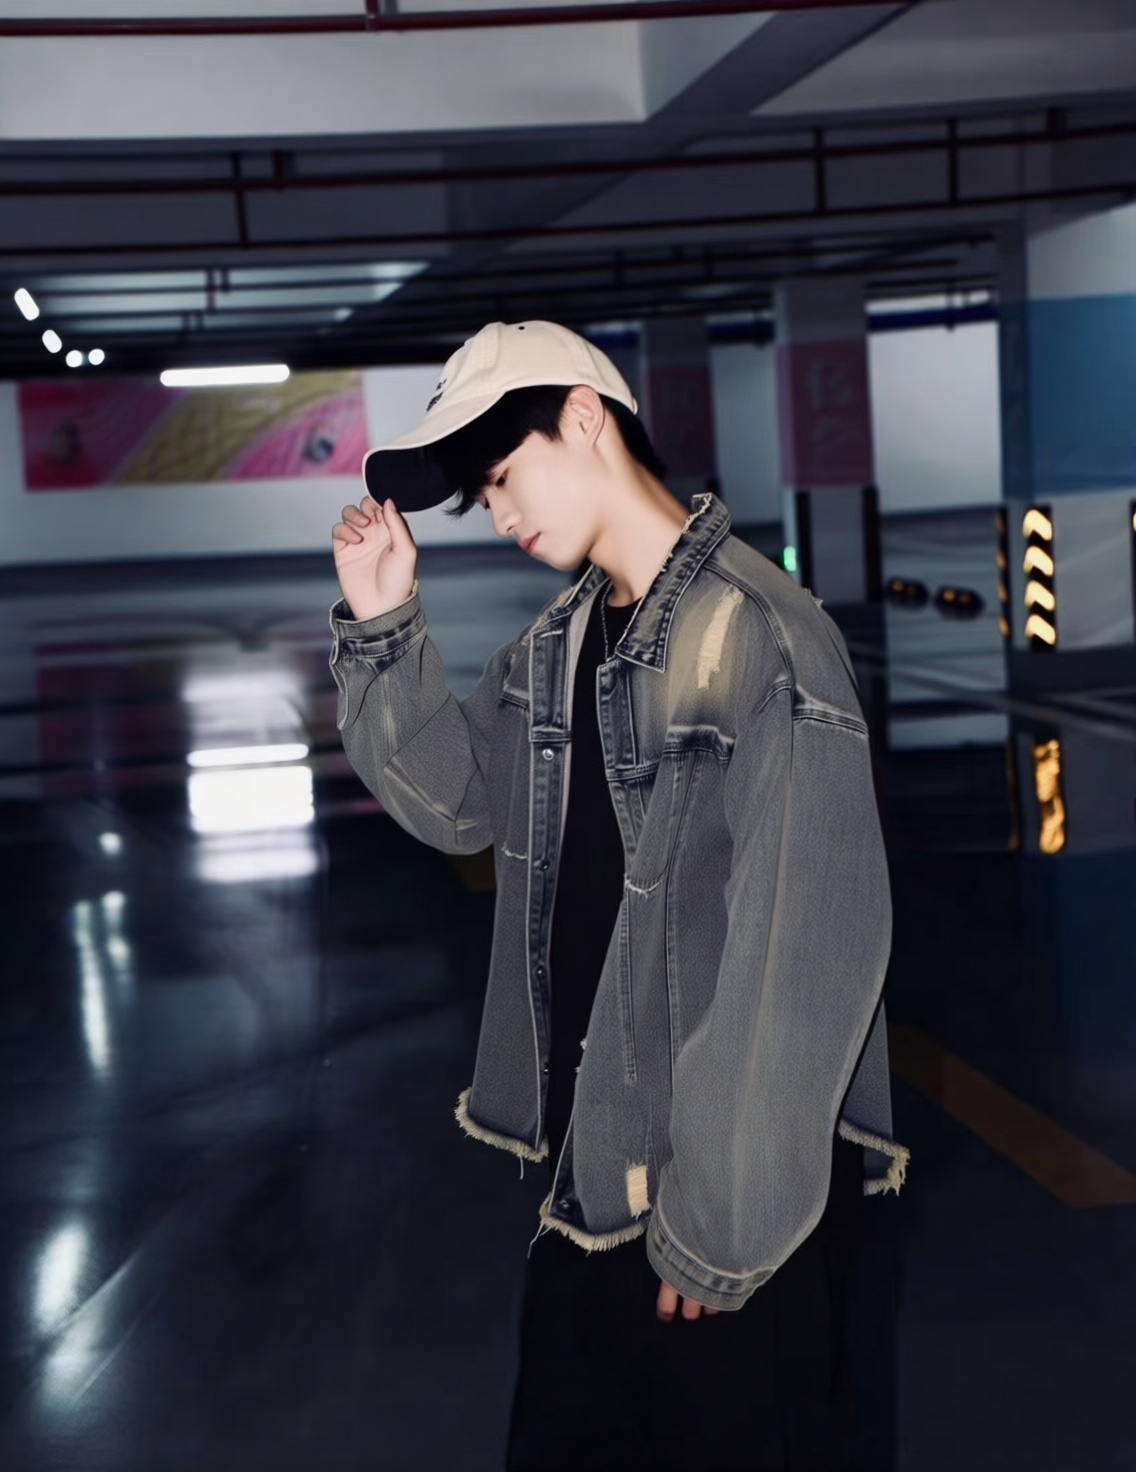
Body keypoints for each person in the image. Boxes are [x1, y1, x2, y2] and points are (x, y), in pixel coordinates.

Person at [330, 321, 907, 1471]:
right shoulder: (561, 642)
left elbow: (800, 951)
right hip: (598, 1180)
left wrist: (717, 1230)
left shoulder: (762, 642)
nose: (495, 513)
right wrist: (384, 621)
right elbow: (457, 803)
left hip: (734, 1203)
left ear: (584, 420)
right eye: (479, 495)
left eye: (501, 475)